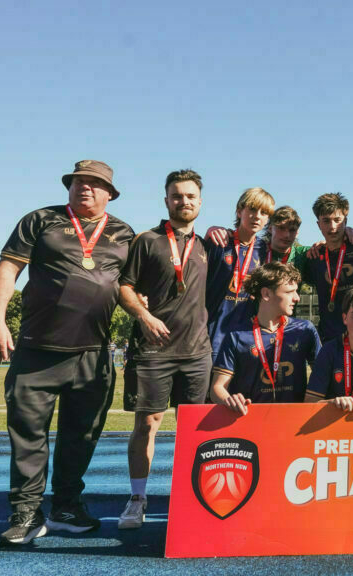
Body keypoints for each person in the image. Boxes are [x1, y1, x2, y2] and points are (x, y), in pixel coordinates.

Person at [0, 160, 134, 545]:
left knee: (81, 436)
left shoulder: (124, 233)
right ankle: (26, 513)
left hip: (94, 353)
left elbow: (132, 286)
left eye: (94, 183)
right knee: (28, 436)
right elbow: (8, 267)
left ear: (109, 193)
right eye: (78, 182)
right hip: (38, 351)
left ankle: (67, 506)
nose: (85, 188)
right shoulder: (40, 220)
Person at [117, 169, 213, 530]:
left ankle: (189, 499)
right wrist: (143, 315)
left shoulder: (209, 246)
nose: (184, 201)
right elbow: (123, 287)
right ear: (166, 200)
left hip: (196, 352)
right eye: (177, 196)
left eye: (190, 196)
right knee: (147, 424)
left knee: (194, 429)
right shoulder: (147, 241)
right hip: (154, 351)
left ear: (200, 202)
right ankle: (138, 499)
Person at [211, 262, 321, 413]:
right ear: (266, 294)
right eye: (289, 292)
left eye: (296, 291)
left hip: (294, 421)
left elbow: (323, 377)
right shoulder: (236, 335)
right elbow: (217, 388)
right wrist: (229, 400)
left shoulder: (305, 330)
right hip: (250, 422)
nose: (297, 298)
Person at [204, 187, 273, 360]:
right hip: (211, 334)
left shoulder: (265, 250)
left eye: (264, 212)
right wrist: (210, 232)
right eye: (252, 209)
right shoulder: (219, 241)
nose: (257, 216)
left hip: (246, 337)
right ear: (239, 210)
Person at [306, 193, 353, 342]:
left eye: (337, 220)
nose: (333, 226)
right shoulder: (314, 256)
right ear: (318, 224)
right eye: (326, 221)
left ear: (346, 221)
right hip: (330, 338)